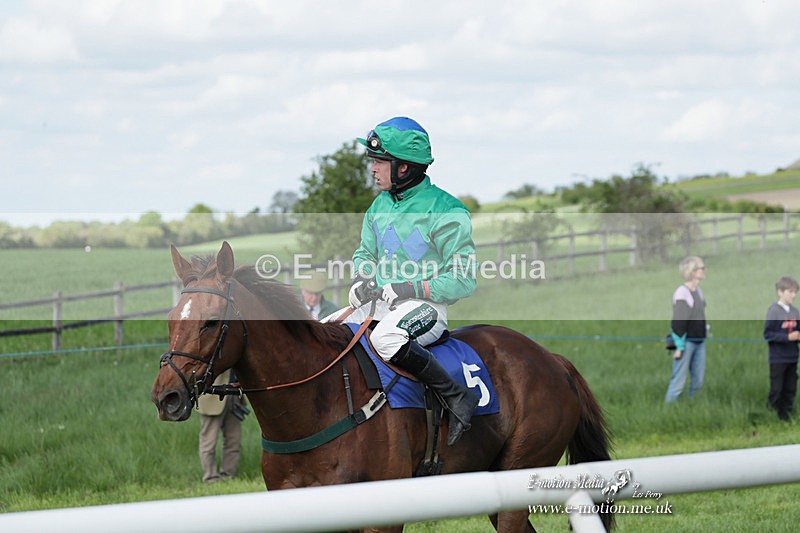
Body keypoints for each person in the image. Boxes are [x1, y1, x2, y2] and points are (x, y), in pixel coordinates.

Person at [324, 116, 479, 446]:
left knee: (387, 338)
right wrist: (362, 279)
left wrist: (410, 287)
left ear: (404, 168)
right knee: (321, 330)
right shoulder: (379, 205)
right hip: (379, 303)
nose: (373, 169)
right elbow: (365, 254)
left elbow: (463, 280)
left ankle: (457, 398)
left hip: (427, 307)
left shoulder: (447, 210)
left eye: (380, 161)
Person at [665, 256, 708, 403]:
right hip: (686, 344)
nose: (704, 270)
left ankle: (693, 408)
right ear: (692, 271)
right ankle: (669, 412)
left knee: (698, 382)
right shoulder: (682, 293)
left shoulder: (699, 291)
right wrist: (679, 347)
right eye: (702, 268)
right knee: (678, 382)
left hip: (699, 342)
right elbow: (678, 324)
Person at [197, 369, 248, 483]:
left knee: (234, 441)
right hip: (212, 396)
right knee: (208, 442)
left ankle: (229, 476)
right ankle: (210, 478)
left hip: (234, 395)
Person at [763, 276, 799, 421]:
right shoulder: (774, 311)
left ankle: (786, 417)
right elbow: (768, 334)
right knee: (777, 390)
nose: (793, 295)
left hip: (793, 357)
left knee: (790, 389)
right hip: (778, 359)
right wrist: (787, 337)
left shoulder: (796, 311)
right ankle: (770, 416)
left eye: (795, 292)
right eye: (790, 291)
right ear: (780, 292)